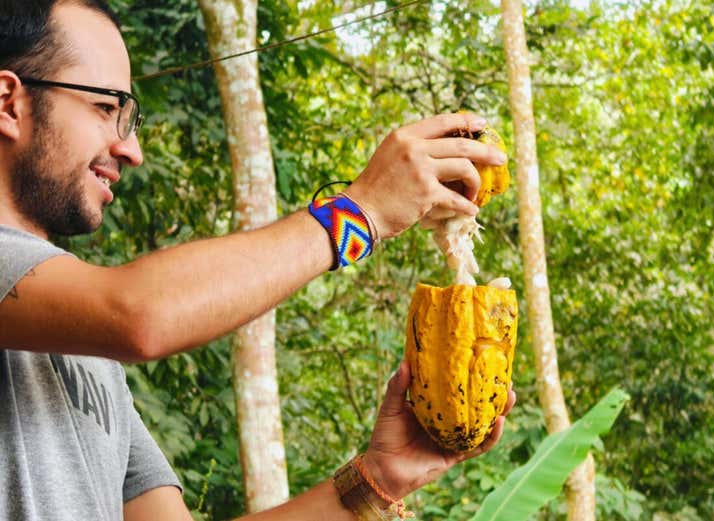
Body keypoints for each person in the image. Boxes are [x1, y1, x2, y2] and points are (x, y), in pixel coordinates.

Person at [0, 1, 515, 520]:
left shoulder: (87, 357)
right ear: (7, 102)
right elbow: (138, 316)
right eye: (107, 107)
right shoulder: (104, 316)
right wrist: (359, 213)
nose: (131, 149)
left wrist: (376, 481)